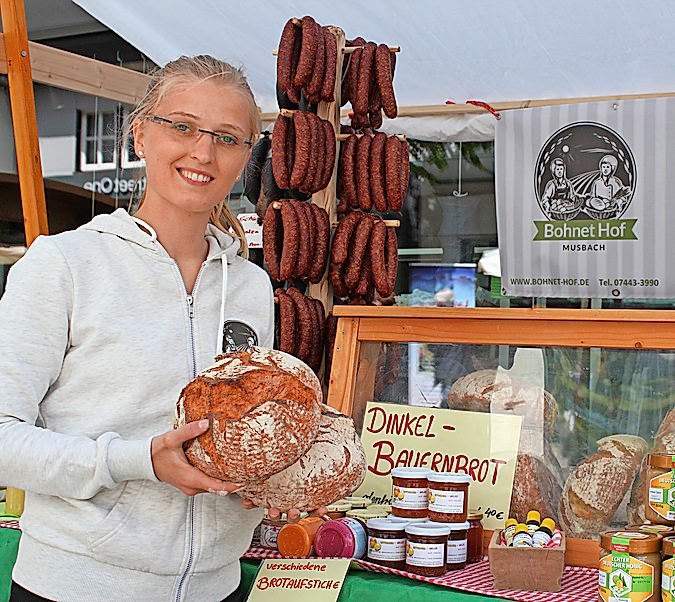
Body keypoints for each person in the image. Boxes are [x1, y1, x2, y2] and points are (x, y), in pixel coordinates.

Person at [0, 55, 276, 602]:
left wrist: (271, 473)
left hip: (218, 589)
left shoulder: (251, 286)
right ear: (140, 135)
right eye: (182, 126)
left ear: (246, 156)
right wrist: (137, 459)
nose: (203, 152)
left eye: (227, 137)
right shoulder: (63, 264)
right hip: (77, 586)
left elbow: (240, 433)